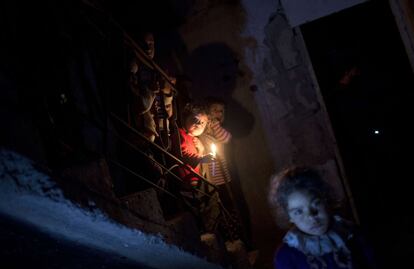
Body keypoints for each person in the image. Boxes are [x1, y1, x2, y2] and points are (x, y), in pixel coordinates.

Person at [268, 166, 377, 269]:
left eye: (316, 204)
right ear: (289, 216)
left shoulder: (354, 236)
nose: (311, 216)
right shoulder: (286, 256)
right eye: (298, 212)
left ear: (326, 201)